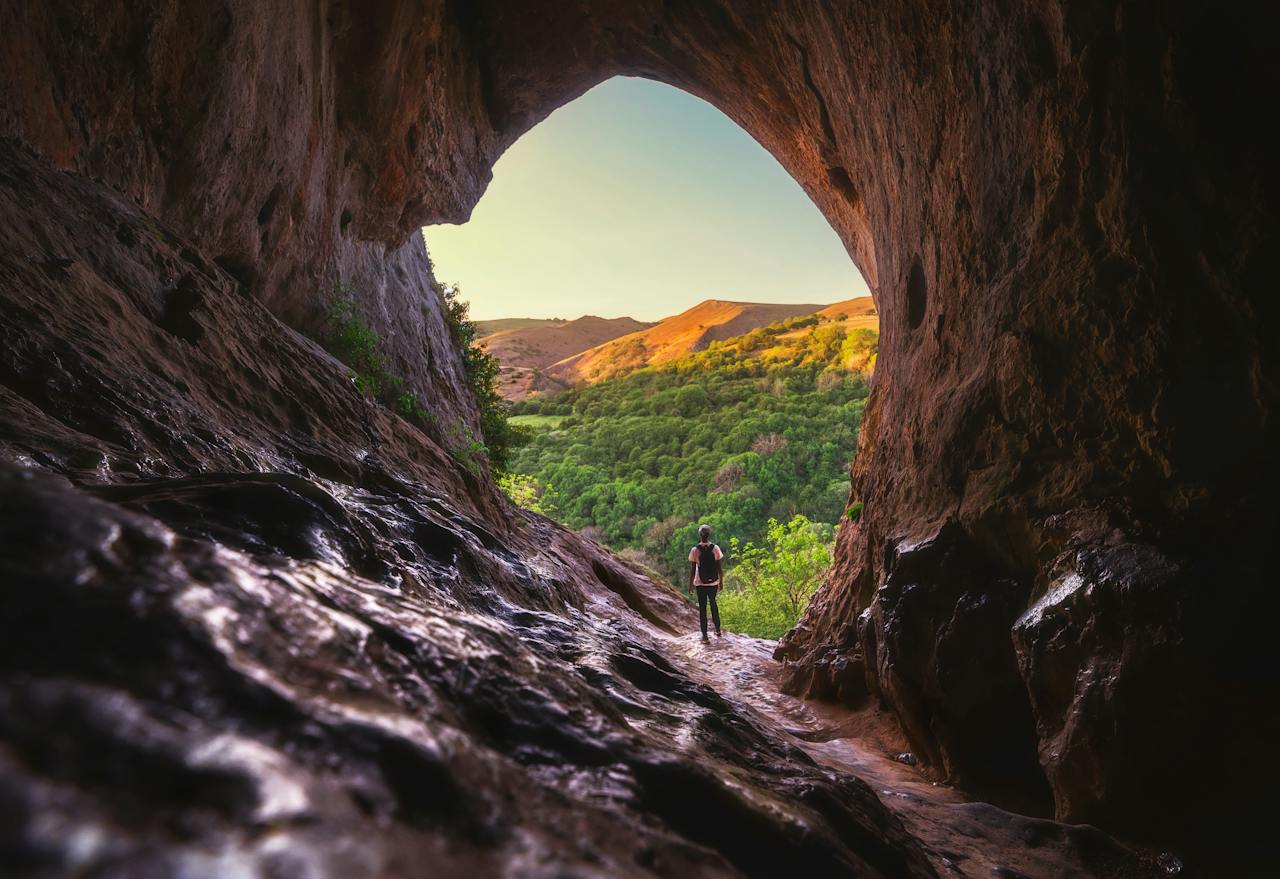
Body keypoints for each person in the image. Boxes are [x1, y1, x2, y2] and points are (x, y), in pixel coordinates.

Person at [688, 524, 723, 641]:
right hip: (713, 582)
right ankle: (718, 630)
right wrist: (721, 582)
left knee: (702, 608)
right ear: (709, 534)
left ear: (700, 534)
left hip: (700, 583)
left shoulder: (695, 550)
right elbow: (719, 568)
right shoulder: (715, 548)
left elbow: (693, 569)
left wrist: (690, 584)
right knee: (713, 604)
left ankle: (705, 635)